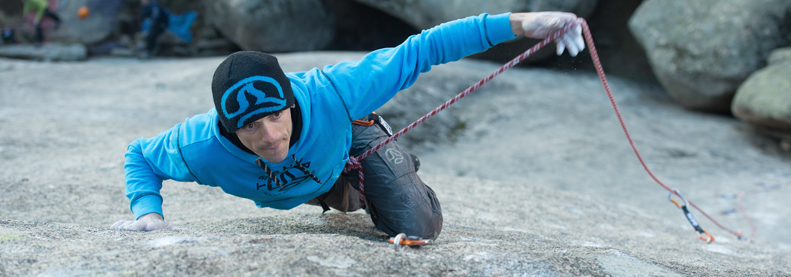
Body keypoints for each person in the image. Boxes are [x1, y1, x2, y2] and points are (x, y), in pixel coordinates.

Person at [111, 12, 586, 239]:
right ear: (228, 129)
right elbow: (140, 155)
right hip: (315, 180)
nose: (270, 137)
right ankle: (347, 185)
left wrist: (524, 24)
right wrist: (147, 212)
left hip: (348, 135)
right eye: (250, 128)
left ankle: (388, 160)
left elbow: (422, 49)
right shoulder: (199, 147)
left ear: (292, 103)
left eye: (276, 116)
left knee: (417, 225)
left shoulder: (335, 91)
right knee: (343, 199)